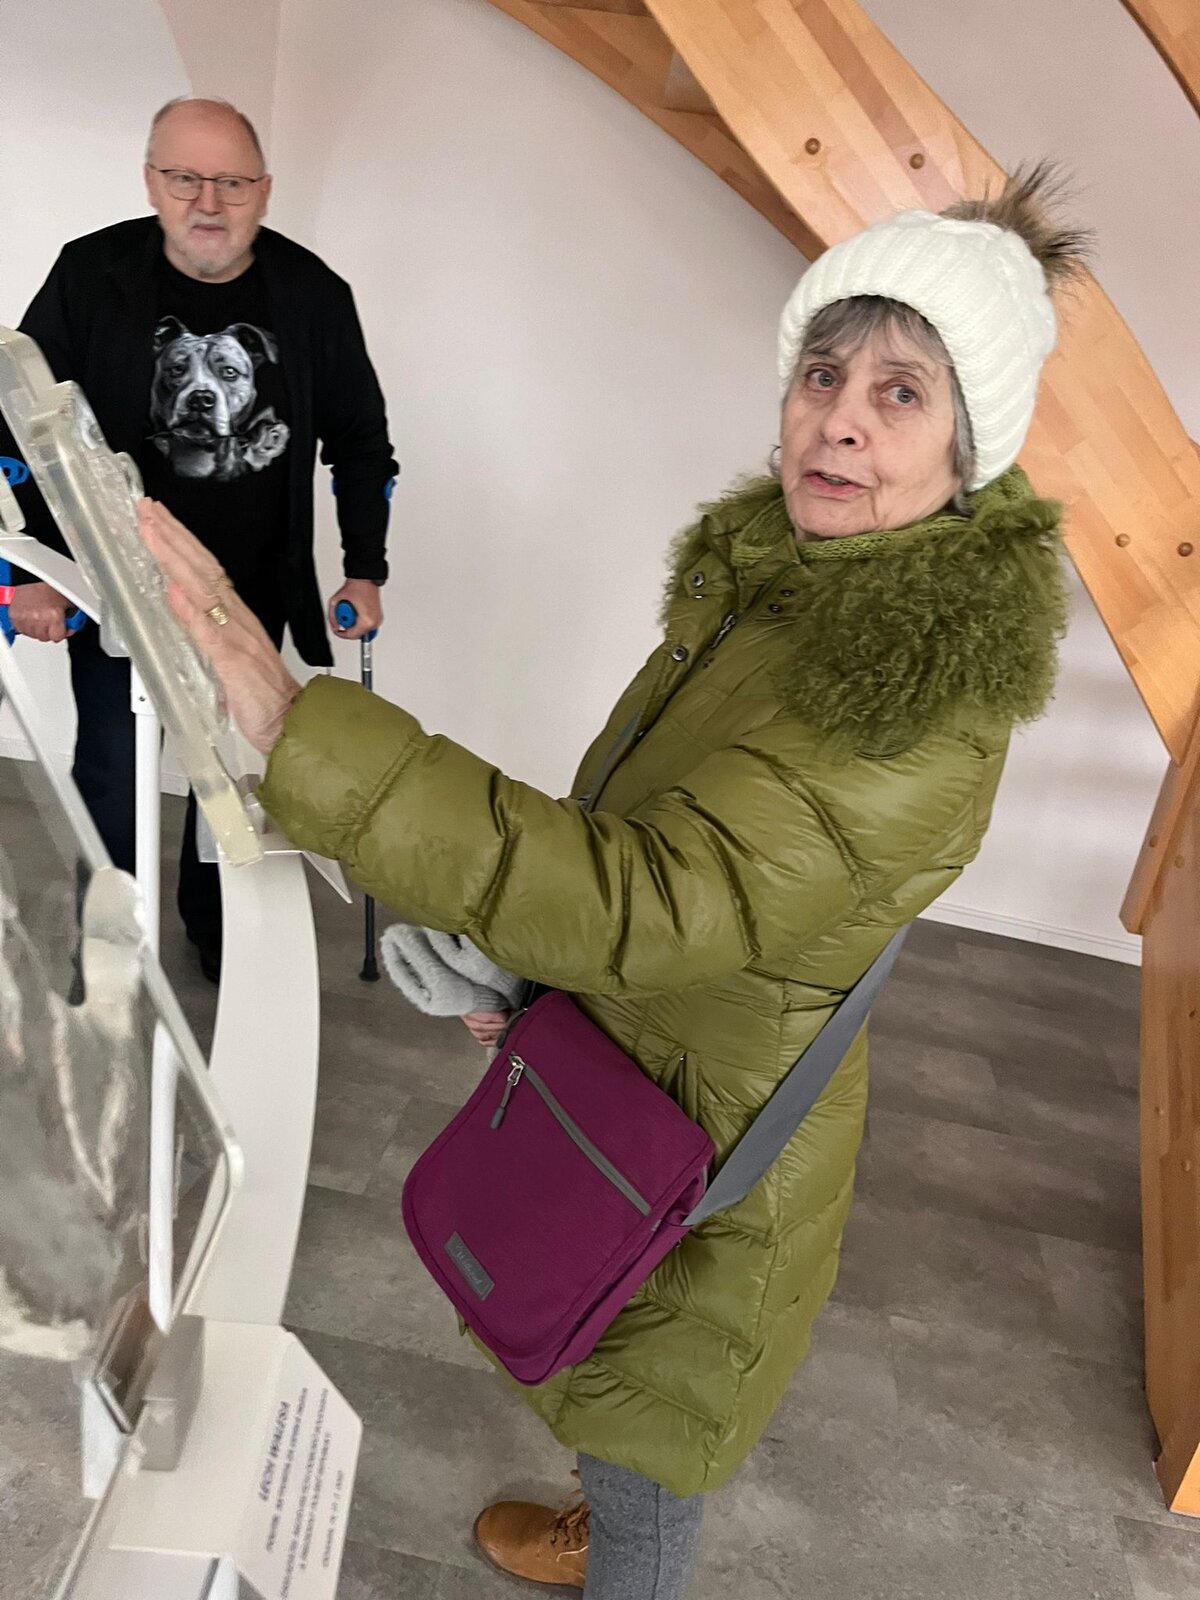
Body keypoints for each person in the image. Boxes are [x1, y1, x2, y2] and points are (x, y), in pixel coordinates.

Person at [139, 165, 1085, 1598]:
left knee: (651, 1433)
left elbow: (649, 899)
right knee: (600, 1357)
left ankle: (623, 1561)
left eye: (901, 393)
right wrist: (531, 973)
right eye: (822, 373)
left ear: (973, 448)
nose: (839, 417)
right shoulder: (781, 589)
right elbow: (658, 845)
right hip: (648, 1060)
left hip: (712, 1142)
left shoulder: (909, 707)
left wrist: (297, 727)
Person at [4, 96, 398, 981]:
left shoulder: (312, 296)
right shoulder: (92, 272)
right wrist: (32, 567)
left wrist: (364, 567)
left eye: (231, 182)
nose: (207, 203)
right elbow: (17, 415)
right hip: (114, 578)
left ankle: (218, 935)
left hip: (249, 588)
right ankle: (112, 951)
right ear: (152, 181)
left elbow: (362, 441)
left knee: (232, 774)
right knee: (114, 769)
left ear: (264, 190)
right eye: (184, 178)